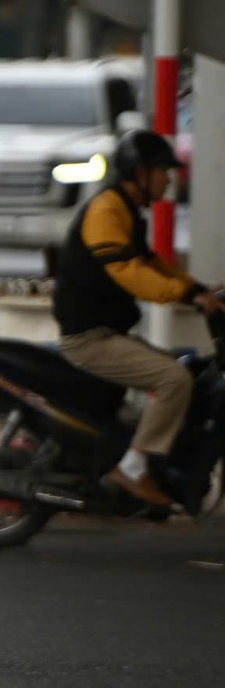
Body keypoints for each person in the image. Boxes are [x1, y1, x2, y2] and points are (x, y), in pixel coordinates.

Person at [54, 129, 225, 508]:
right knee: (173, 379)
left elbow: (151, 265)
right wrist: (186, 295)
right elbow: (128, 272)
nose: (169, 179)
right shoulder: (107, 210)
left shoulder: (126, 211)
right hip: (89, 339)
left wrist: (199, 288)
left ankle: (152, 460)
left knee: (186, 368)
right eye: (163, 170)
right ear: (140, 172)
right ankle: (132, 469)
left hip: (108, 332)